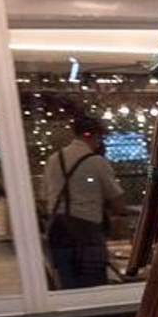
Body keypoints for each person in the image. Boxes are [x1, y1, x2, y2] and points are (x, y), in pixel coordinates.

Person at [44, 115, 126, 288]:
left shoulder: (53, 159)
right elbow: (117, 202)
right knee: (93, 284)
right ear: (92, 135)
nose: (100, 143)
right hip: (86, 232)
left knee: (68, 284)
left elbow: (45, 194)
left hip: (57, 231)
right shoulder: (97, 162)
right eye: (100, 138)